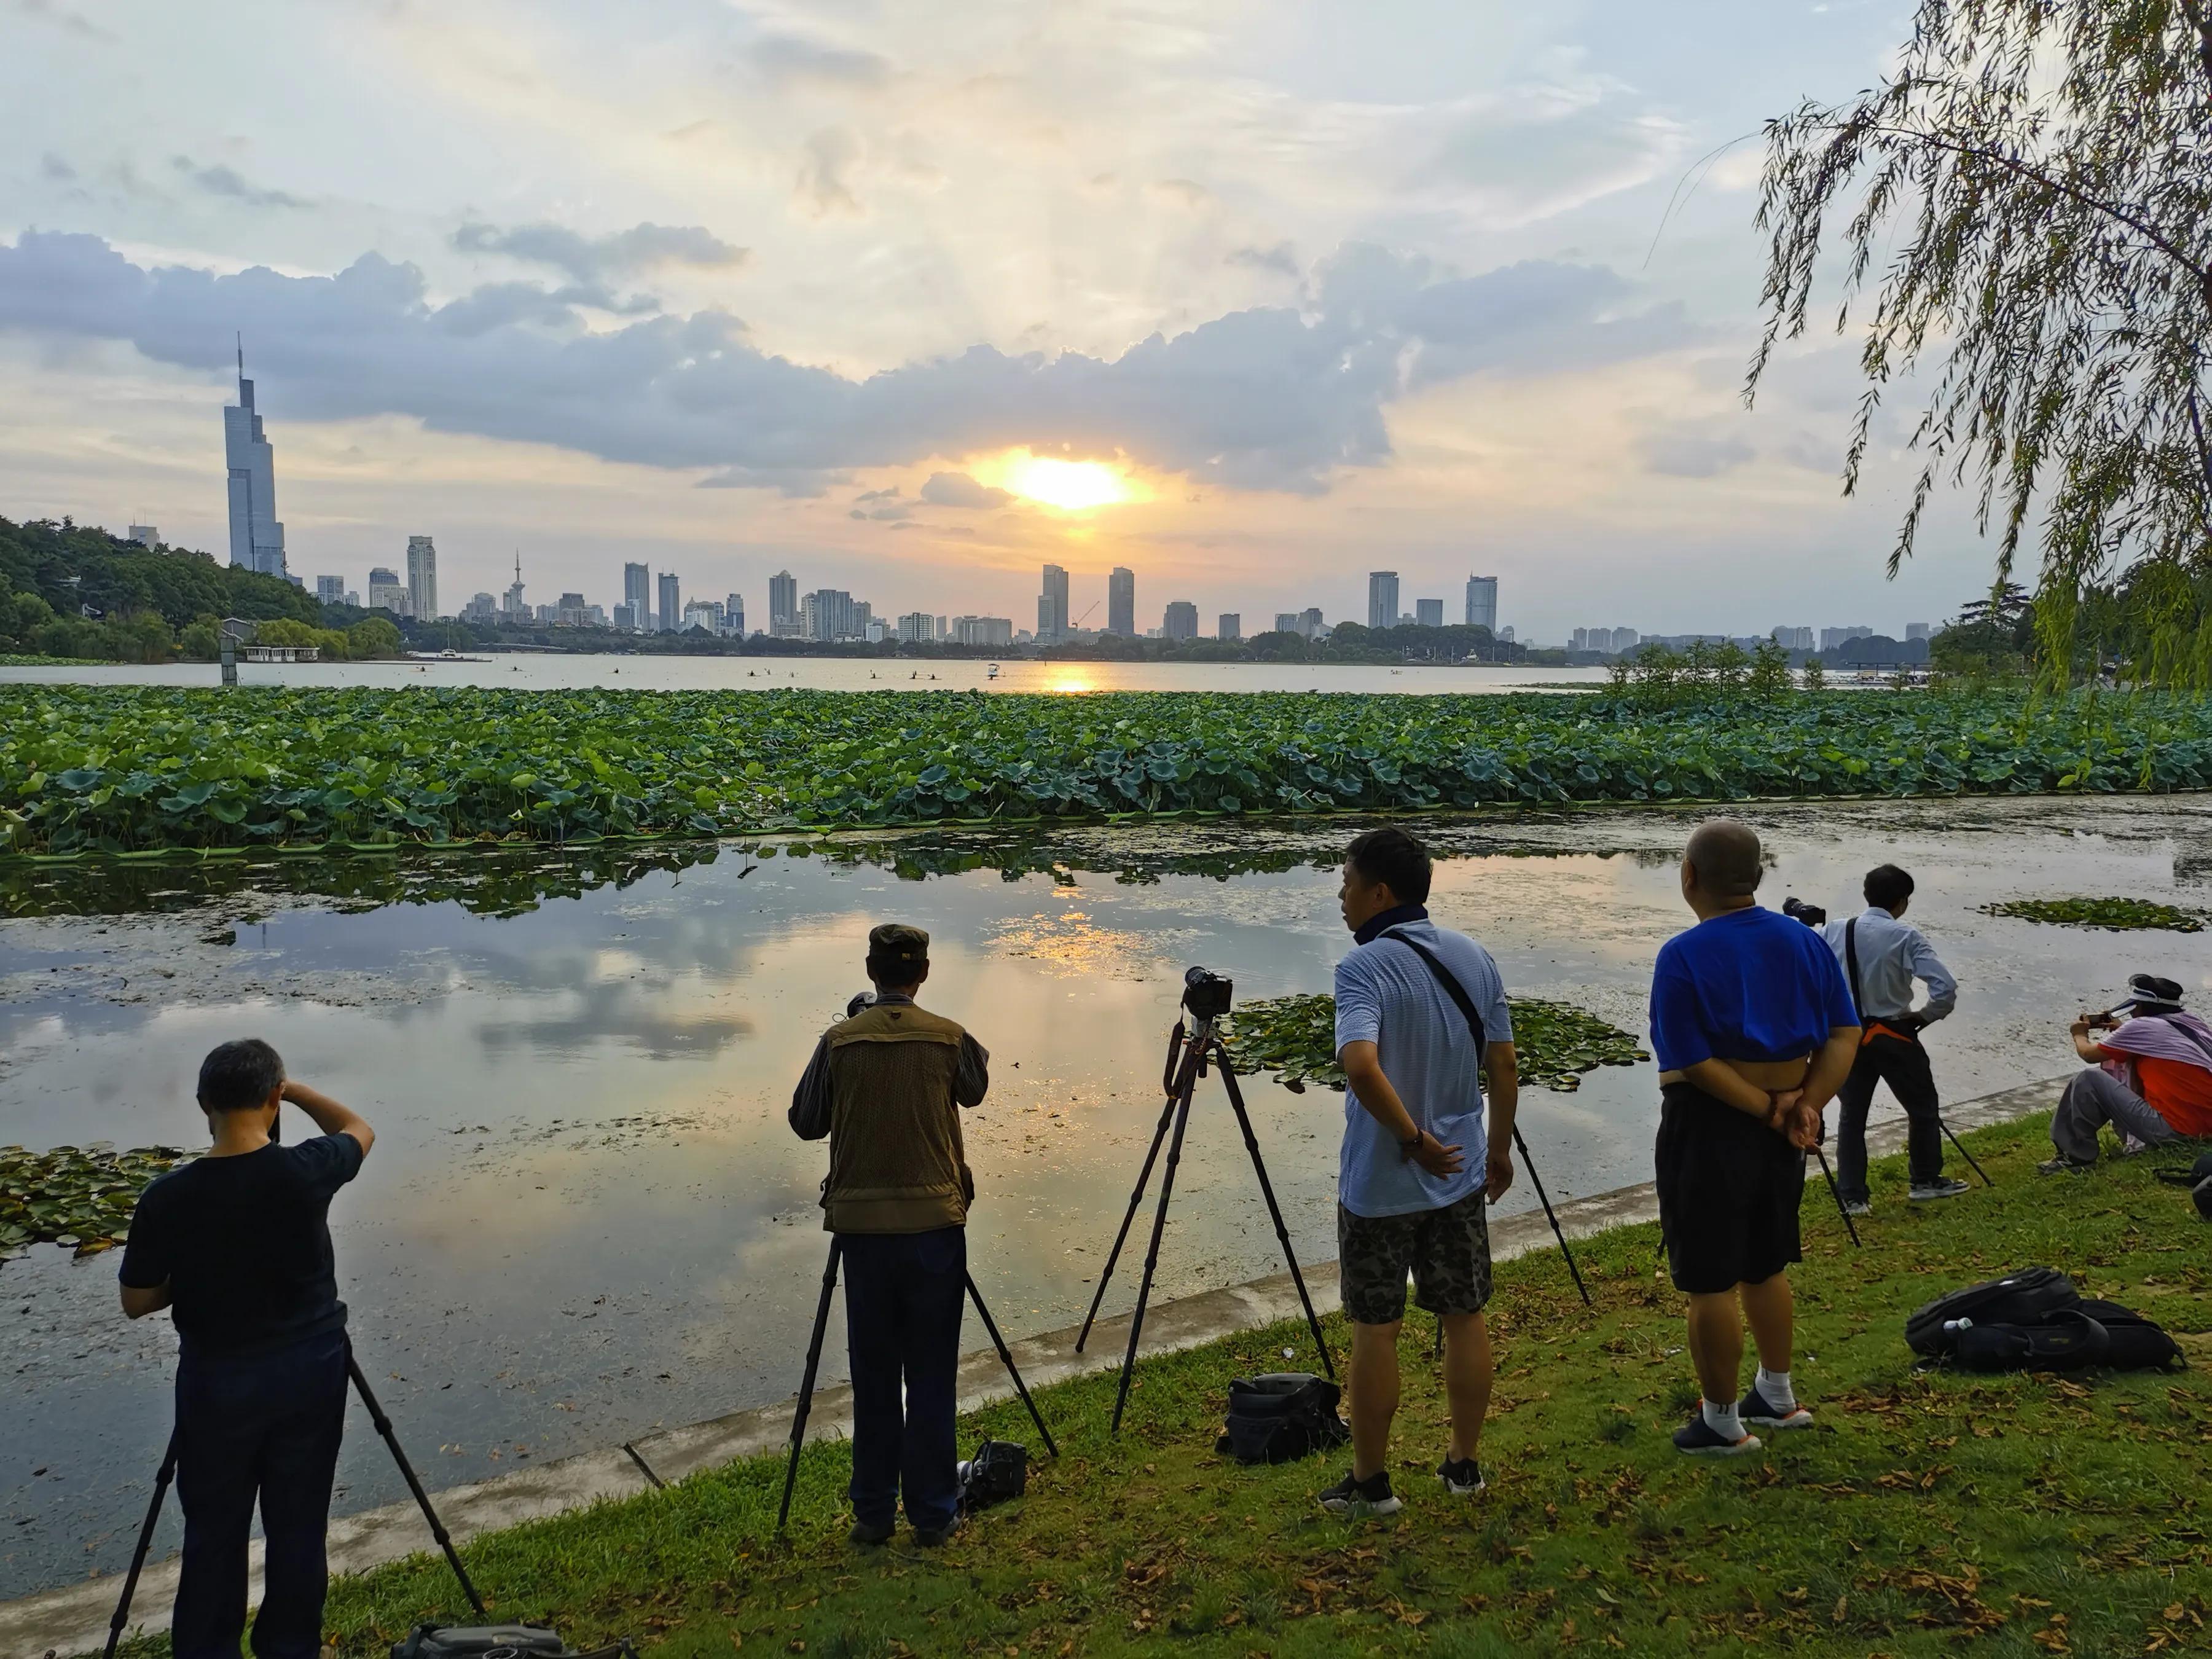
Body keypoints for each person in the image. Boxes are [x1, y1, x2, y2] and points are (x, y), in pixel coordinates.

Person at [117, 1040, 375, 1659]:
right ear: (271, 1099)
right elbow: (358, 1129)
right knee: (298, 1523)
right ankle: (290, 1648)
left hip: (218, 1382)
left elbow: (137, 1300)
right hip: (310, 1371)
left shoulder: (168, 1197)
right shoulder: (306, 1169)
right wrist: (296, 1089)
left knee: (214, 1530)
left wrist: (202, 1277)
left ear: (205, 1104)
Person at [1319, 826, 1518, 1516]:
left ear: (1379, 892)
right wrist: (1498, 1151)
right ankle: (1464, 1466)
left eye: (1345, 884)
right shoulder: (1474, 956)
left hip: (1381, 1181)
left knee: (1377, 1329)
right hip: (1462, 1175)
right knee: (1465, 1316)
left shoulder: (1363, 968)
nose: (1340, 899)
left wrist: (1410, 1140)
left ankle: (1372, 1484)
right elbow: (1504, 1062)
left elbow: (1361, 1065)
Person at [1650, 820, 1859, 1456]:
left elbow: (1694, 1060)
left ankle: (1719, 1422)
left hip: (1714, 1124)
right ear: (1758, 878)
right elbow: (1844, 1034)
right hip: (1788, 1119)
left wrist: (1769, 1110)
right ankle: (1776, 1393)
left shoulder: (1683, 954)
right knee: (1764, 1265)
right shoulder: (1805, 942)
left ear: (1689, 876)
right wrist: (1808, 1106)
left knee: (1709, 1281)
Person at [789, 924, 989, 1547]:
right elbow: (976, 1090)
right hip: (935, 1227)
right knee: (931, 1374)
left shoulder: (839, 1042)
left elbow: (805, 1122)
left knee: (873, 1374)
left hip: (864, 1235)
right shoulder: (949, 1037)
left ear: (871, 971)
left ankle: (873, 1516)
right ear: (923, 973)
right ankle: (933, 1514)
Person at [1818, 863, 1966, 1214]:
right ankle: (1925, 1181)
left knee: (1852, 1117)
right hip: (1894, 1033)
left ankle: (1853, 1196)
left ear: (1866, 895)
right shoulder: (1905, 936)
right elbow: (1945, 989)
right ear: (1902, 902)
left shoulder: (1832, 931)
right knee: (1922, 1108)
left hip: (1848, 1035)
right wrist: (1923, 1016)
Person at [2041, 974, 2212, 1172]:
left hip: (2176, 1131)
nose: (2131, 1014)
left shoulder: (2141, 1027)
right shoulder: (2192, 1023)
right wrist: (2122, 1031)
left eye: (2134, 1008)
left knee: (2088, 1080)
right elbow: (2156, 1042)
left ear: (2142, 1007)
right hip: (2206, 1128)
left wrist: (2079, 1034)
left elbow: (2088, 1054)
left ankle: (2073, 1158)